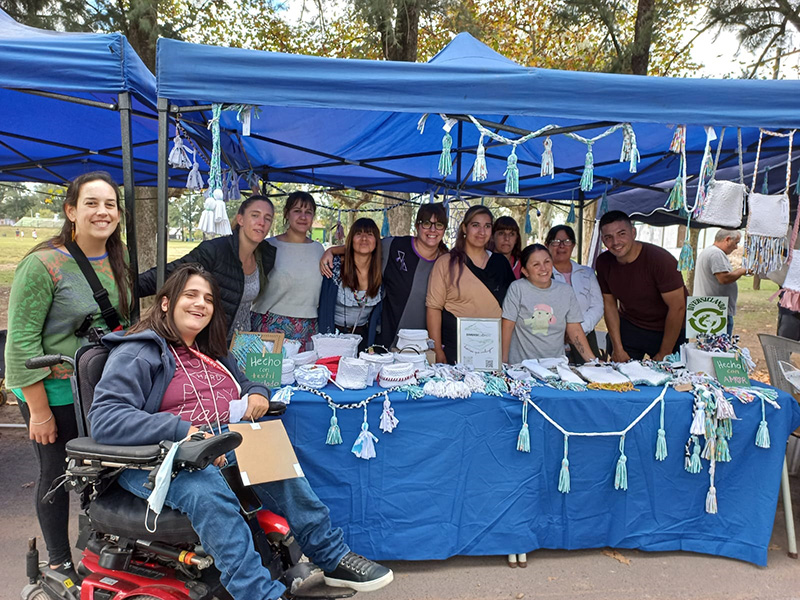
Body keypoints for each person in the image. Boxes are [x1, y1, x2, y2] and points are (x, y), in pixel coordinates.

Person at [88, 264, 393, 600]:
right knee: (206, 491)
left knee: (276, 461)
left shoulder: (210, 351)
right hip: (158, 457)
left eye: (207, 298)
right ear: (165, 303)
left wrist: (258, 392)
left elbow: (244, 382)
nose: (200, 304)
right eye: (190, 295)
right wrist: (182, 431)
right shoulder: (139, 351)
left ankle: (331, 556)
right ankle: (258, 594)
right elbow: (105, 417)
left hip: (218, 440)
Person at [5, 171, 133, 584]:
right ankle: (59, 563)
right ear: (71, 211)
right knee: (56, 472)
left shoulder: (119, 256)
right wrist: (38, 411)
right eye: (91, 203)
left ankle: (101, 549)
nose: (102, 211)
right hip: (54, 392)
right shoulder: (42, 264)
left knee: (104, 471)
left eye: (110, 204)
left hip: (101, 388)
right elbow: (21, 347)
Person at [139, 195, 276, 338]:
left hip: (243, 342)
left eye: (268, 218)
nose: (261, 222)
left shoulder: (265, 256)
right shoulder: (215, 250)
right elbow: (171, 273)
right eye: (255, 215)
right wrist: (127, 288)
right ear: (240, 219)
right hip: (211, 341)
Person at [320, 203, 448, 349]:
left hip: (425, 344)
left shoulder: (447, 262)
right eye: (426, 223)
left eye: (438, 224)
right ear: (417, 226)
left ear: (444, 229)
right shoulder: (394, 246)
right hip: (388, 342)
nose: (432, 229)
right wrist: (331, 251)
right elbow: (365, 246)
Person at [427, 205, 515, 365]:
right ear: (464, 228)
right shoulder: (446, 262)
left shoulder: (500, 263)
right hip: (453, 351)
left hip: (492, 351)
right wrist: (437, 349)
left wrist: (504, 354)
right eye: (476, 225)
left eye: (487, 226)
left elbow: (511, 310)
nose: (482, 232)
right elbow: (433, 308)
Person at [596, 211, 687, 361]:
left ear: (633, 233)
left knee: (671, 380)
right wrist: (618, 348)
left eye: (621, 234)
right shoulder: (604, 262)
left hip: (669, 329)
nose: (616, 242)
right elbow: (610, 305)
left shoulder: (661, 260)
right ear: (603, 240)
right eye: (608, 237)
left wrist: (664, 353)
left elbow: (678, 307)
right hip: (631, 325)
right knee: (618, 376)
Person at [252, 191, 324, 351]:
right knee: (265, 375)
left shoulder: (319, 250)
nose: (303, 217)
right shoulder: (267, 247)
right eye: (297, 211)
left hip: (308, 327)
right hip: (269, 325)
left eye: (308, 212)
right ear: (287, 214)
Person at [502, 244, 595, 364]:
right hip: (522, 368)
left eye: (547, 262)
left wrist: (593, 361)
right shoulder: (517, 288)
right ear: (525, 271)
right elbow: (507, 327)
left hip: (556, 368)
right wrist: (503, 362)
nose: (543, 268)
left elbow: (575, 329)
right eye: (536, 265)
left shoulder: (566, 291)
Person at [318, 218, 383, 352]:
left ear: (376, 241)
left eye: (370, 234)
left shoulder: (382, 269)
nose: (364, 238)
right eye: (358, 233)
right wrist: (330, 251)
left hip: (364, 340)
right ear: (351, 239)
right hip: (332, 337)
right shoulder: (334, 266)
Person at [546, 225, 603, 362]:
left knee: (590, 376)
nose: (561, 246)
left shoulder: (587, 273)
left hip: (586, 337)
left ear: (573, 245)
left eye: (566, 242)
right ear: (546, 245)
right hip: (552, 340)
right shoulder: (542, 274)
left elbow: (597, 306)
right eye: (555, 242)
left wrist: (579, 330)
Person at [693, 229, 747, 336]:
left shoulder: (709, 251)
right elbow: (724, 278)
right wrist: (742, 270)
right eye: (736, 243)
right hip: (716, 310)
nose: (736, 247)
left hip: (709, 307)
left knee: (710, 346)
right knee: (717, 349)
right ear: (727, 239)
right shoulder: (716, 254)